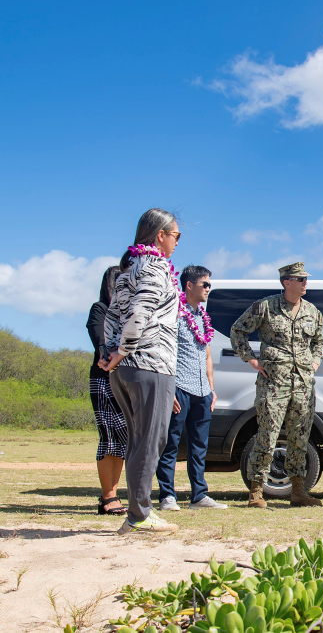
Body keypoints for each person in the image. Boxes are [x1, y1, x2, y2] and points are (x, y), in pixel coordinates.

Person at [101, 208, 183, 535]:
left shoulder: (128, 269)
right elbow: (141, 310)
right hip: (150, 363)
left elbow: (111, 316)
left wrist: (112, 353)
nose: (177, 242)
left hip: (125, 368)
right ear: (160, 235)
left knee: (139, 440)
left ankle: (138, 513)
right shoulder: (155, 266)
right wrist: (122, 350)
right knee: (150, 440)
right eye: (176, 235)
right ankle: (139, 515)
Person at [230, 262, 323, 509]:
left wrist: (314, 362)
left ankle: (298, 491)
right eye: (300, 279)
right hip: (274, 383)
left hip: (303, 384)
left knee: (299, 438)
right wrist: (250, 358)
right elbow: (238, 331)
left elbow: (319, 341)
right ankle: (255, 491)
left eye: (306, 279)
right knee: (267, 436)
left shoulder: (313, 311)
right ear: (286, 282)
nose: (306, 283)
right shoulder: (265, 307)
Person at [155, 265, 226, 511]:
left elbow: (207, 355)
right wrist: (168, 388)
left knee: (199, 446)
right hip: (178, 387)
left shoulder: (202, 316)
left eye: (209, 284)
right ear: (189, 285)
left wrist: (211, 389)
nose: (208, 288)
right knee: (170, 442)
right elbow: (163, 351)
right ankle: (167, 496)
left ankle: (199, 495)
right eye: (205, 284)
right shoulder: (173, 313)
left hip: (202, 391)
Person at [87, 265, 127, 516]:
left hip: (125, 380)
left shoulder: (128, 314)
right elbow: (99, 337)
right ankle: (108, 496)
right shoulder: (100, 309)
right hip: (103, 378)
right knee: (109, 437)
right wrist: (106, 353)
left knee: (123, 438)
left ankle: (113, 491)